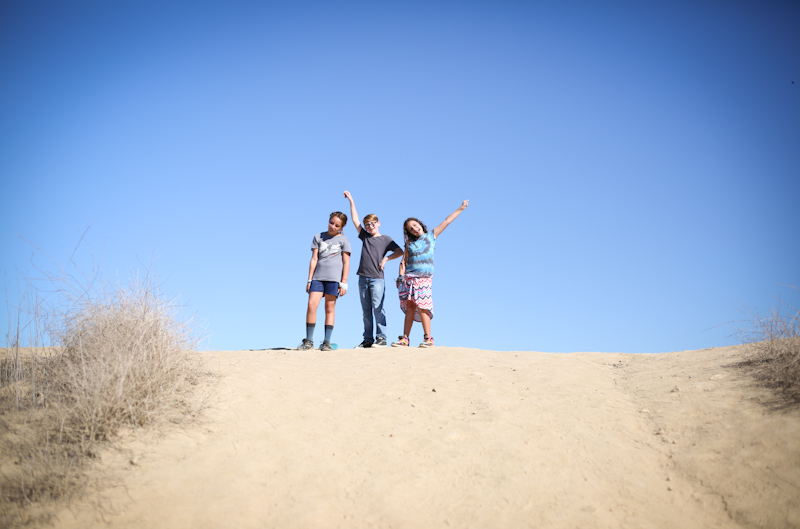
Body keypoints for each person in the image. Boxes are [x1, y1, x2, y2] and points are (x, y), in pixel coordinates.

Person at [392, 199, 469, 348]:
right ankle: (405, 339)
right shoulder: (409, 244)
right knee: (410, 307)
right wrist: (400, 277)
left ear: (420, 224)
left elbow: (447, 221)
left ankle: (428, 338)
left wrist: (461, 208)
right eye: (410, 228)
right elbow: (403, 262)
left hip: (424, 277)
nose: (414, 228)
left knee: (423, 306)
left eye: (415, 225)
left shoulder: (431, 236)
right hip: (409, 278)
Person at [343, 190, 404, 348]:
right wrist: (351, 201)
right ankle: (368, 340)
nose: (370, 226)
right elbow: (355, 220)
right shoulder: (365, 236)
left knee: (378, 308)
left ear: (379, 223)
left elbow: (400, 251)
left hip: (377, 278)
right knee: (366, 311)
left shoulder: (386, 239)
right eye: (367, 225)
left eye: (372, 223)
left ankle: (381, 338)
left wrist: (386, 258)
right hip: (362, 277)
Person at [298, 212, 351, 351]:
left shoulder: (344, 240)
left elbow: (346, 262)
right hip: (317, 278)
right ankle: (309, 340)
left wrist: (344, 282)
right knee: (311, 305)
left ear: (342, 226)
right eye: (331, 222)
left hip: (334, 280)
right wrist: (309, 279)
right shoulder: (318, 237)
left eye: (337, 225)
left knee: (329, 308)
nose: (333, 226)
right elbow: (314, 259)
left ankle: (326, 341)